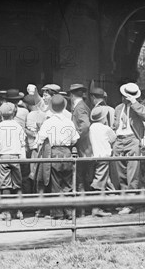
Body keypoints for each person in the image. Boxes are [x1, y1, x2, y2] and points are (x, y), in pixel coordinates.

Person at [36, 94, 79, 220]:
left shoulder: (48, 122)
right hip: (67, 151)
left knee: (55, 182)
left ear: (52, 107)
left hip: (54, 151)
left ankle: (57, 213)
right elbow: (75, 139)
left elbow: (40, 139)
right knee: (68, 182)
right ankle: (69, 211)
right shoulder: (69, 122)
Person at [112, 82, 145, 215]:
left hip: (132, 140)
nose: (125, 98)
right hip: (119, 141)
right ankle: (124, 202)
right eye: (125, 96)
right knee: (120, 173)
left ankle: (131, 204)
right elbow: (115, 124)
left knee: (132, 173)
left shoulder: (138, 107)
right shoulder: (118, 108)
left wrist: (134, 102)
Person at [0, 102, 26, 221]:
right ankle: (18, 211)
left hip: (3, 156)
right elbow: (23, 142)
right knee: (17, 183)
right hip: (15, 156)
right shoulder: (18, 126)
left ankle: (7, 213)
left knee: (5, 184)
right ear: (13, 113)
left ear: (1, 113)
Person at [69, 83, 94, 215]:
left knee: (80, 179)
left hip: (83, 149)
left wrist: (75, 137)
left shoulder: (79, 108)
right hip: (85, 149)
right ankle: (84, 209)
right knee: (83, 179)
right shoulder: (82, 106)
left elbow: (85, 125)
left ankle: (82, 210)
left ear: (72, 95)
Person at [88, 106, 116, 217]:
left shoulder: (91, 128)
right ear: (104, 117)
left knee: (106, 181)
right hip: (104, 157)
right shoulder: (106, 129)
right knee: (99, 182)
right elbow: (113, 139)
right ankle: (96, 208)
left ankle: (113, 201)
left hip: (94, 156)